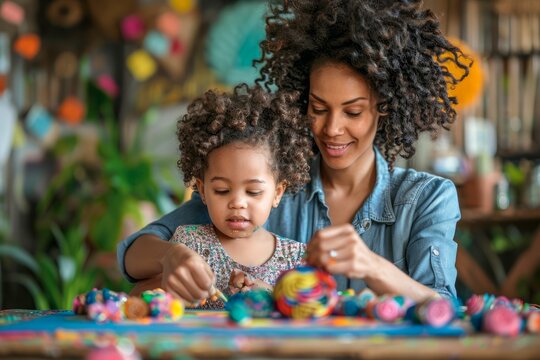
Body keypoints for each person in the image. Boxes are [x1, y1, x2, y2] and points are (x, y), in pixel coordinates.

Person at [118, 0, 471, 303]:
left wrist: (373, 266)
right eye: (318, 108)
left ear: (385, 106)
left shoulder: (426, 199)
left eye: (353, 112)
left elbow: (444, 308)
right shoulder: (264, 182)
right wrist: (170, 257)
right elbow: (135, 253)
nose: (332, 129)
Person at [129, 84, 312, 308]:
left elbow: (311, 315)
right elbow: (137, 297)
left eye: (253, 192)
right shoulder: (188, 244)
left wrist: (270, 296)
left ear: (278, 193)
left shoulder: (296, 258)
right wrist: (168, 293)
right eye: (222, 191)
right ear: (203, 190)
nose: (237, 202)